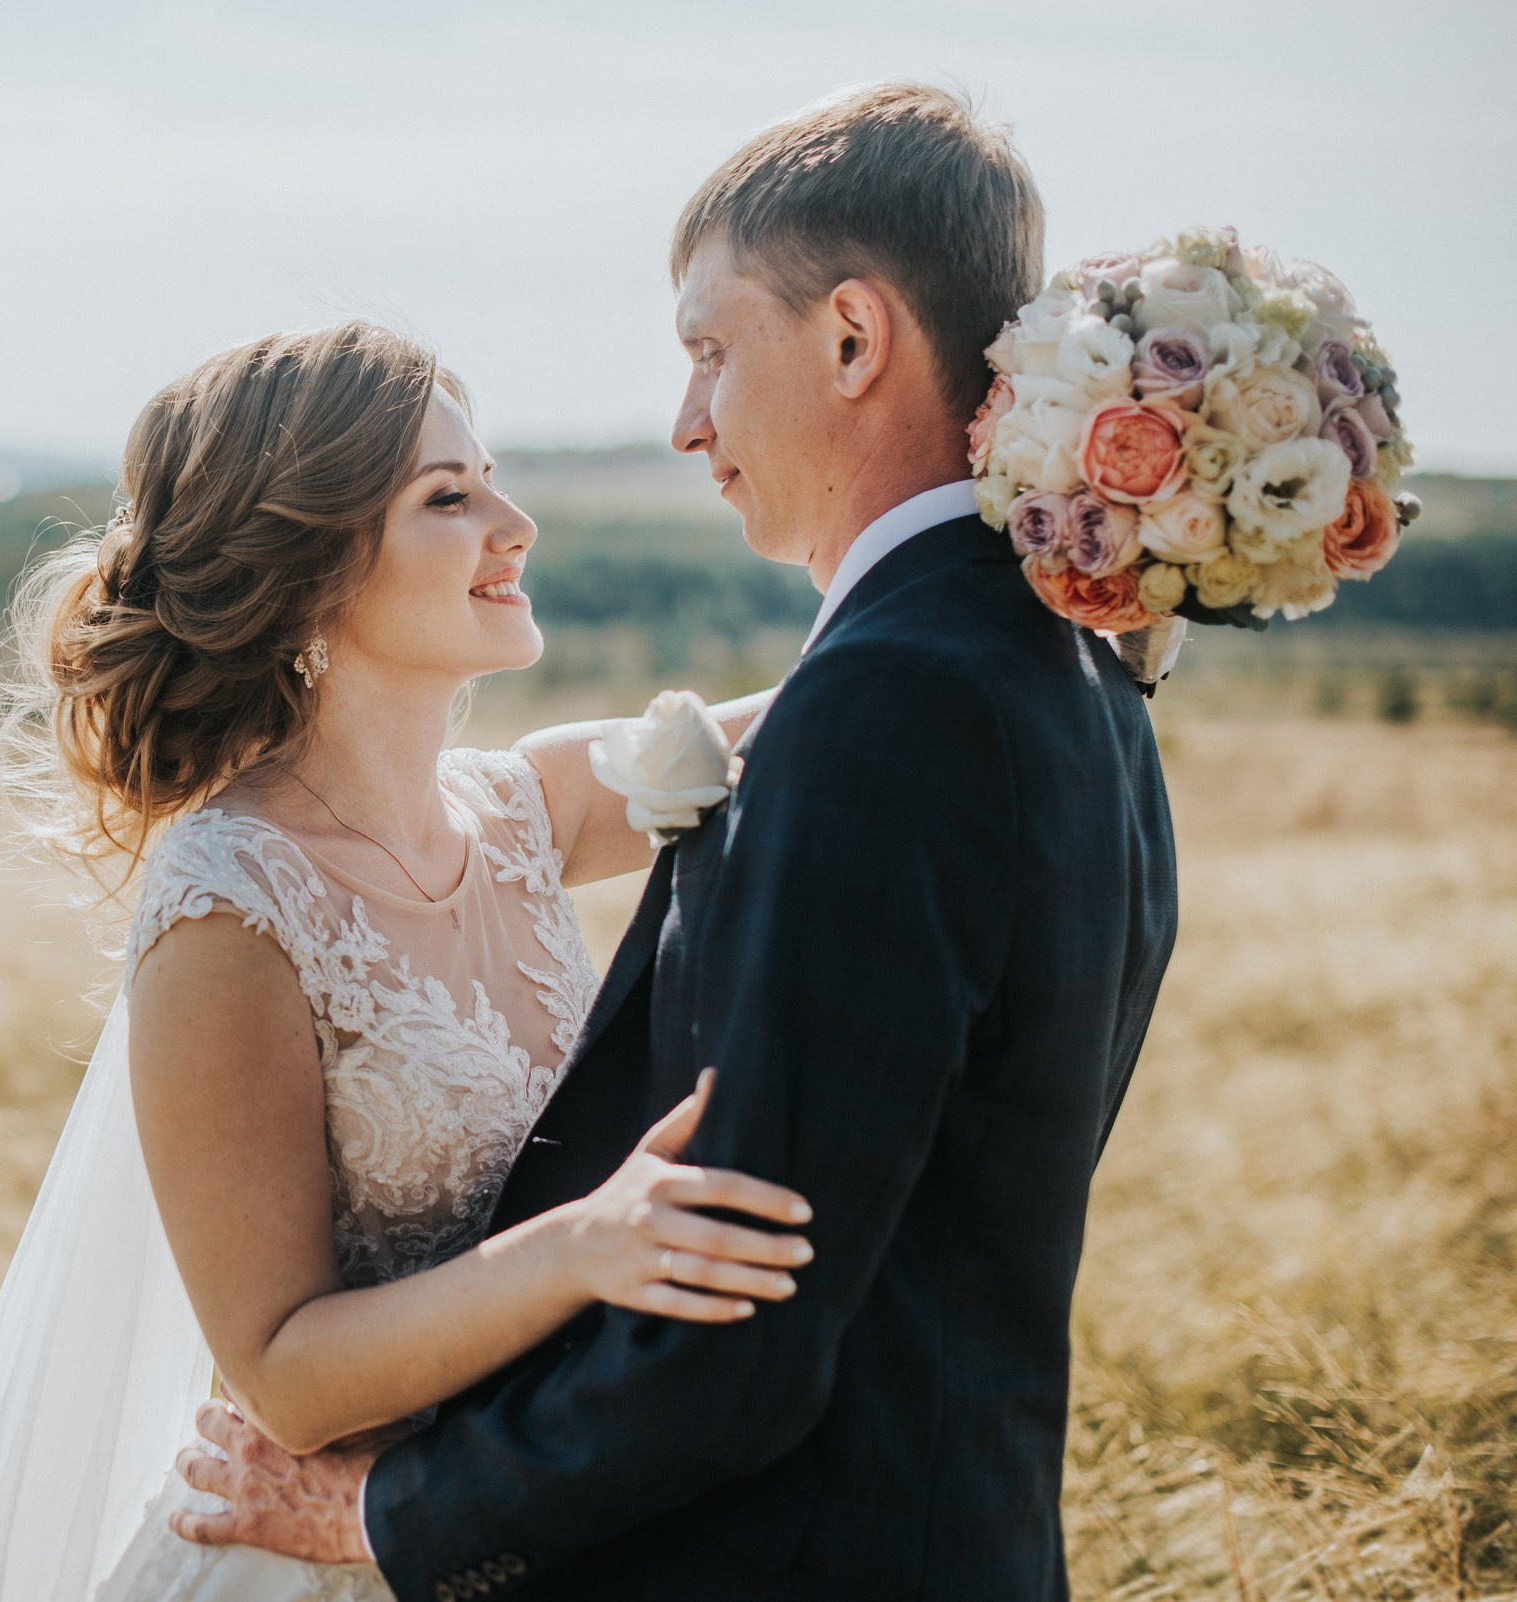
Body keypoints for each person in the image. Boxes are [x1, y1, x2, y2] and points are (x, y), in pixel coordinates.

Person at [173, 83, 1179, 1599]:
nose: (685, 418)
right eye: (449, 494)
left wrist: (390, 1519)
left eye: (711, 349)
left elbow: (743, 1322)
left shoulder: (900, 701)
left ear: (854, 339)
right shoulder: (1067, 668)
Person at [0, 320, 812, 1602]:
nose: (516, 526)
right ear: (315, 565)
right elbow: (283, 1372)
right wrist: (586, 1246)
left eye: (490, 481)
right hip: (316, 1556)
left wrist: (1040, 515)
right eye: (449, 498)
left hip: (516, 1529)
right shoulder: (229, 908)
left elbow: (826, 706)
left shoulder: (523, 808)